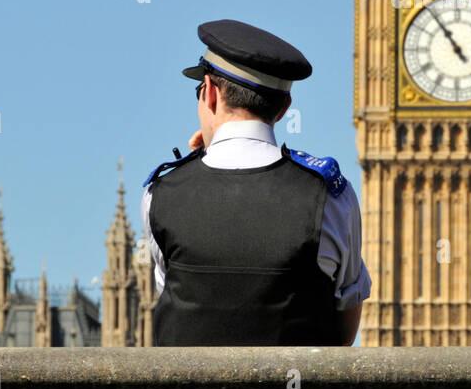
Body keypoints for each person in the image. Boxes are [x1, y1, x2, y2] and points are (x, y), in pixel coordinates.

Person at [141, 19, 370, 345]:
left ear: (209, 92)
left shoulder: (160, 197)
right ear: (283, 109)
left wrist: (193, 171)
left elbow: (177, 295)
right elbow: (344, 329)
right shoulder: (332, 197)